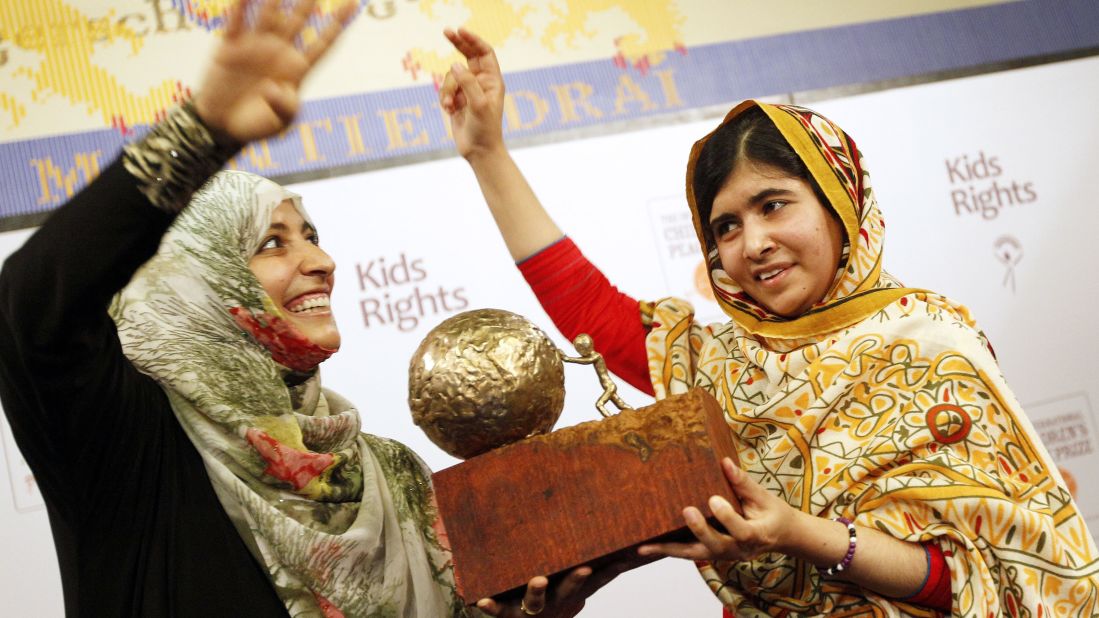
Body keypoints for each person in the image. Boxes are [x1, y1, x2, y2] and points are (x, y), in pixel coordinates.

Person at [439, 28, 1099, 616]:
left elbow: (983, 580)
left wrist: (796, 532)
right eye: (725, 226)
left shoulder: (930, 347)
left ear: (841, 204)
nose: (751, 243)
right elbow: (590, 311)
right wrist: (487, 154)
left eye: (773, 205)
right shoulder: (716, 367)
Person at [0, 3, 604, 616]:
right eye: (272, 242)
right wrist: (203, 129)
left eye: (310, 234)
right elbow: (31, 306)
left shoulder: (388, 474)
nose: (321, 260)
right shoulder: (126, 445)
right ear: (197, 281)